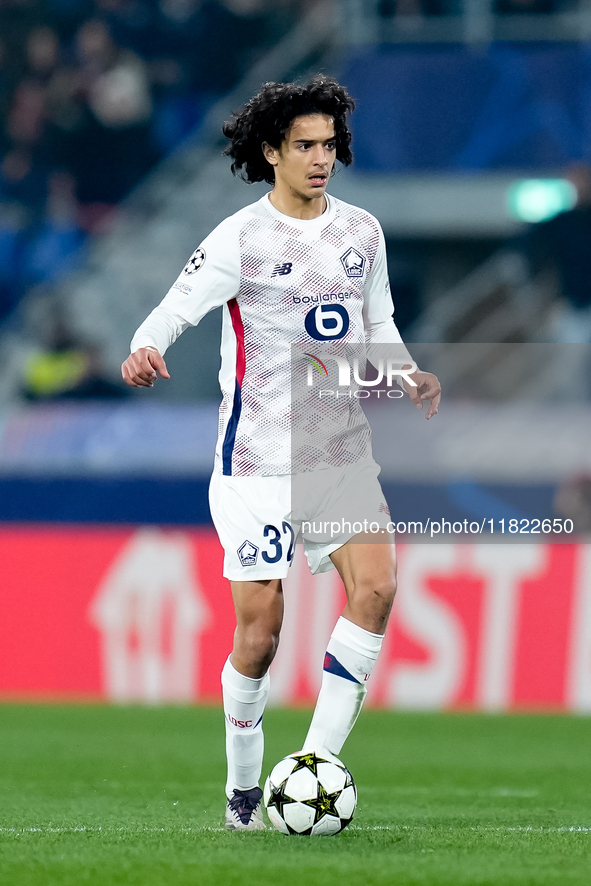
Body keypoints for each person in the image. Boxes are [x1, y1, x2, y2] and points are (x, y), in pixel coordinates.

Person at [121, 75, 441, 831]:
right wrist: (144, 346)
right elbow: (175, 306)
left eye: (329, 145)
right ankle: (242, 791)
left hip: (337, 455)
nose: (320, 158)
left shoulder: (362, 233)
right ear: (271, 152)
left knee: (376, 589)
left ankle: (316, 766)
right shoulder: (240, 238)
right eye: (304, 146)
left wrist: (406, 369)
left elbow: (378, 321)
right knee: (260, 635)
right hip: (256, 464)